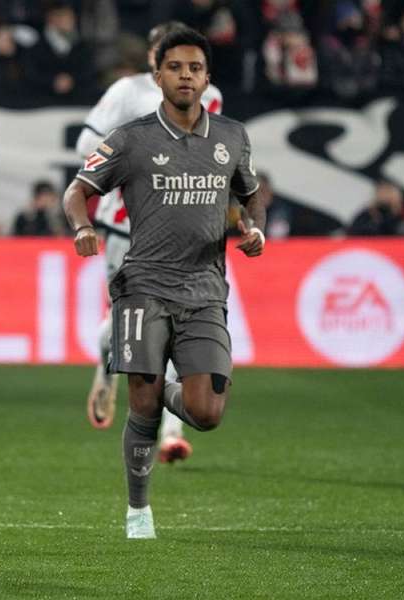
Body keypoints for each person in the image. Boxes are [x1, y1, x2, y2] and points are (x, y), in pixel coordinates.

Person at [62, 27, 266, 539]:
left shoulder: (231, 137)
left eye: (195, 69)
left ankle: (157, 384)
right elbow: (75, 191)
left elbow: (251, 192)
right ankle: (138, 512)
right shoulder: (131, 138)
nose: (185, 77)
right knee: (144, 406)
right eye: (175, 68)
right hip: (143, 287)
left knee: (207, 413)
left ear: (207, 79)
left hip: (204, 291)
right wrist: (84, 226)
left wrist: (253, 225)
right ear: (158, 77)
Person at [75, 21, 223, 465]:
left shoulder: (210, 98)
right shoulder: (128, 92)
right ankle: (107, 367)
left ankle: (172, 432)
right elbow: (86, 141)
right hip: (126, 225)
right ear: (153, 58)